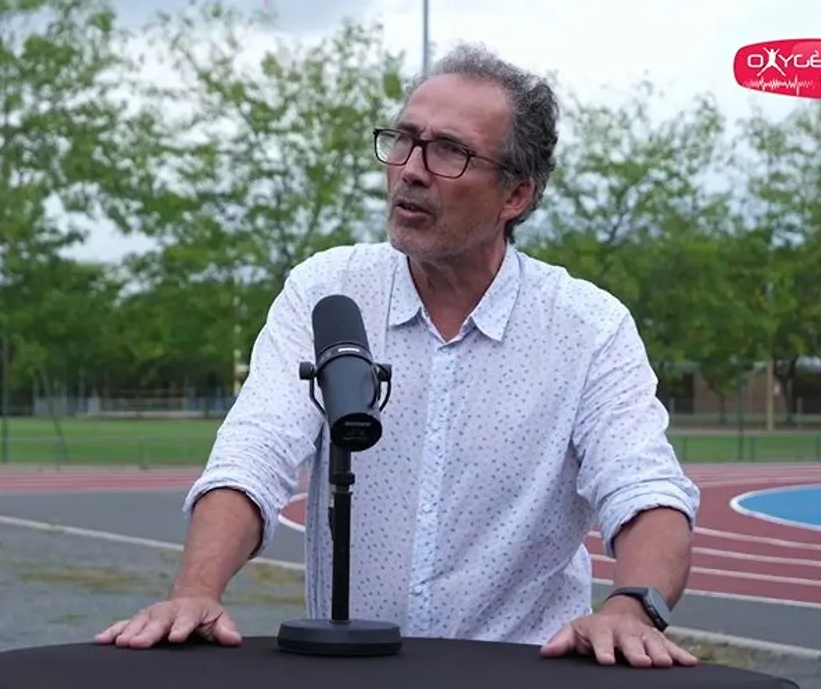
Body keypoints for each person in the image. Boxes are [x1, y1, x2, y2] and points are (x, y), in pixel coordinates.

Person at [96, 43, 701, 669]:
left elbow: (646, 488)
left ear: (515, 195)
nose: (411, 169)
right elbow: (256, 451)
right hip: (349, 673)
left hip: (520, 675)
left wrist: (631, 607)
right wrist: (195, 592)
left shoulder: (589, 327)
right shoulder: (325, 290)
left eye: (448, 152)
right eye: (404, 141)